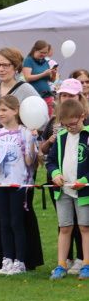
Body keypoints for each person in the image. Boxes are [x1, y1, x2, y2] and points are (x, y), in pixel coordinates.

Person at [0, 95, 37, 276]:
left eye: (4, 110)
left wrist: (32, 143)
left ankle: (20, 261)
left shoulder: (25, 132)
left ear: (15, 111)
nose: (0, 113)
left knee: (17, 222)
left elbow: (29, 161)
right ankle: (7, 258)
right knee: (4, 223)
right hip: (0, 183)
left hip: (18, 184)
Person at [48, 99, 89, 280]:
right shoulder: (61, 137)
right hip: (63, 191)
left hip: (83, 191)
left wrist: (84, 180)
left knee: (85, 227)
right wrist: (55, 173)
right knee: (64, 228)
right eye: (66, 125)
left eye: (73, 124)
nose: (70, 128)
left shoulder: (87, 136)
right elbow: (50, 161)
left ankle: (86, 265)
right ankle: (61, 265)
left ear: (82, 116)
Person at [22, 40, 57, 108]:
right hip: (34, 96)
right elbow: (27, 78)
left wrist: (53, 74)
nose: (43, 55)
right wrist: (43, 74)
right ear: (35, 50)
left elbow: (52, 80)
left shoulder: (45, 62)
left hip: (47, 95)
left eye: (45, 53)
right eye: (41, 52)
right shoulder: (29, 60)